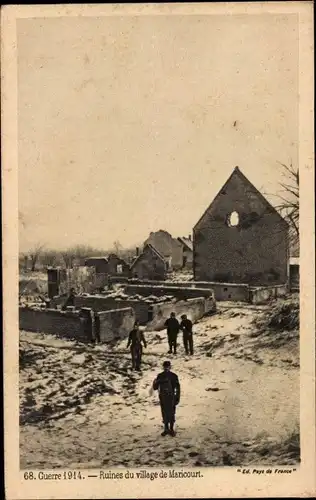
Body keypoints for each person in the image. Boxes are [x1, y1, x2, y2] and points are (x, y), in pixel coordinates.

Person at [152, 360, 181, 437]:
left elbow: (177, 388)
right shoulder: (160, 375)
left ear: (170, 367)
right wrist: (155, 382)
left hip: (171, 397)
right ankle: (166, 429)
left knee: (171, 413)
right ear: (164, 367)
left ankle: (171, 429)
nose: (166, 368)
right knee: (164, 412)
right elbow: (155, 388)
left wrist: (177, 397)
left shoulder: (174, 376)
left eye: (167, 367)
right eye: (165, 367)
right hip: (163, 397)